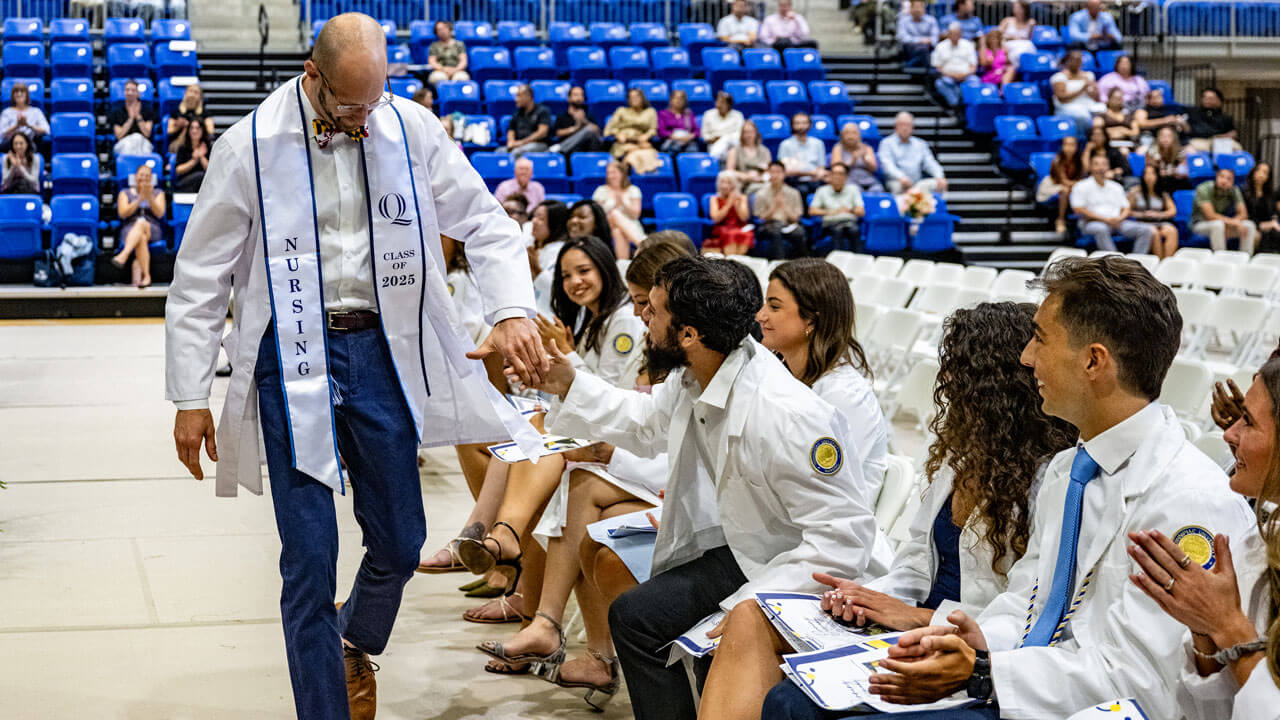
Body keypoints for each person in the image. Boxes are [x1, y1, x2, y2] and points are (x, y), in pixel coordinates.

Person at [164, 16, 549, 720]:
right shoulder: (248, 145)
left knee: (402, 542)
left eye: (375, 101)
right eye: (349, 105)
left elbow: (488, 223)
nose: (365, 120)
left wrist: (510, 310)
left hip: (379, 348)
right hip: (290, 354)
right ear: (312, 76)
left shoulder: (410, 126)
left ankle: (352, 639)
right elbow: (199, 277)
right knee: (309, 559)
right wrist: (190, 395)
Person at [765, 255, 1257, 719]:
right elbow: (1027, 604)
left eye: (1040, 339)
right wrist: (971, 639)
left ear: (1093, 361)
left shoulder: (1187, 498)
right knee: (795, 698)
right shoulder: (1070, 469)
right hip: (1026, 679)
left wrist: (985, 673)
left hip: (1081, 705)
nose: (1026, 357)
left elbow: (1144, 682)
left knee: (805, 710)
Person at [529, 255, 883, 720]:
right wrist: (569, 383)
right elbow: (646, 421)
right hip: (750, 551)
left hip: (806, 570)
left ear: (689, 335)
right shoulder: (702, 371)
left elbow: (842, 540)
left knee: (701, 641)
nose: (642, 317)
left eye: (653, 310)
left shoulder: (787, 415)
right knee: (635, 616)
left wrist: (749, 605)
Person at [711, 300, 1074, 720]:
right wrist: (869, 599)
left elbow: (1022, 611)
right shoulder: (960, 456)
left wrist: (918, 617)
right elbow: (915, 561)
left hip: (960, 641)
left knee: (790, 702)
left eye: (957, 367)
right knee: (750, 615)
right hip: (913, 621)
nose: (944, 379)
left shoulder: (1050, 478)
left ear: (993, 384)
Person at [471, 237, 661, 708]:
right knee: (543, 453)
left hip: (663, 483)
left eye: (649, 305)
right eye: (567, 274)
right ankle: (505, 554)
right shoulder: (604, 322)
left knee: (567, 485)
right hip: (638, 460)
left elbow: (638, 417)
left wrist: (605, 448)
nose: (642, 314)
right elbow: (634, 412)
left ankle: (514, 571)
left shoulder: (627, 326)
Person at [1131, 358, 1280, 719]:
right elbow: (1210, 709)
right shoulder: (1257, 545)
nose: (1228, 433)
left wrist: (1226, 624)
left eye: (1248, 421)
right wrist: (1202, 626)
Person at [1071, 153, 1153, 252]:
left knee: (1146, 229)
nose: (1100, 168)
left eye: (1104, 164)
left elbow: (1126, 207)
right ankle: (1114, 259)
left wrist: (1119, 218)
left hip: (1117, 222)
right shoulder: (1081, 186)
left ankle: (1137, 259)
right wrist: (1105, 219)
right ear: (1091, 167)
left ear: (1108, 167)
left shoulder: (1116, 187)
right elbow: (1078, 209)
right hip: (1092, 222)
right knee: (1101, 229)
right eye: (1097, 164)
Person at [113, 163, 164, 288]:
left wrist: (149, 197)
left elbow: (160, 213)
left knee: (141, 223)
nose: (144, 178)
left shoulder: (158, 193)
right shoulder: (125, 193)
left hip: (152, 228)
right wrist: (139, 199)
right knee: (141, 237)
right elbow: (123, 213)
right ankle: (146, 277)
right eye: (141, 175)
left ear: (151, 178)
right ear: (135, 177)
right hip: (129, 230)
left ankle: (124, 254)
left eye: (147, 176)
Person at [878, 111, 947, 195]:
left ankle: (929, 203)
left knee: (939, 184)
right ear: (895, 127)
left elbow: (930, 162)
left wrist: (939, 176)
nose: (905, 128)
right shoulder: (886, 143)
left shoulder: (920, 144)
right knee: (899, 186)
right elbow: (887, 165)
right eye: (902, 124)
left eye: (908, 125)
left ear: (912, 127)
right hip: (897, 181)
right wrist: (901, 177)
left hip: (917, 183)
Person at [1192, 167, 1258, 254]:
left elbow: (1243, 213)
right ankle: (1220, 258)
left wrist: (1235, 221)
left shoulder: (1234, 190)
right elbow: (1210, 216)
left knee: (1249, 225)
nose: (1224, 181)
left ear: (1233, 182)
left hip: (1224, 224)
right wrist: (1233, 222)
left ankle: (1245, 257)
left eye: (1229, 179)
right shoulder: (1203, 188)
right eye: (1222, 176)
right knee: (1217, 225)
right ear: (1216, 177)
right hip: (1200, 224)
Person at [754, 161, 808, 259]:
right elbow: (760, 219)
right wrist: (773, 207)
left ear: (784, 174)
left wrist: (785, 206)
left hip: (788, 224)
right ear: (768, 173)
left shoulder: (794, 193)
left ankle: (801, 261)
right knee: (775, 232)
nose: (775, 175)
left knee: (799, 232)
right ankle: (779, 262)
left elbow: (796, 219)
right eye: (772, 172)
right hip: (769, 225)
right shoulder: (761, 194)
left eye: (778, 172)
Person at [592, 161, 645, 259]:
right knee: (614, 213)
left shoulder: (633, 190)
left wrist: (622, 203)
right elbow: (597, 214)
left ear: (622, 174)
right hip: (606, 225)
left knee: (618, 231)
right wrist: (613, 208)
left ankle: (622, 264)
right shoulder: (601, 190)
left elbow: (636, 215)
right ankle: (642, 244)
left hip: (631, 225)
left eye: (614, 172)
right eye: (608, 173)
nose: (611, 176)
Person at [529, 199, 572, 317]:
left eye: (541, 218)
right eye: (534, 216)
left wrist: (535, 268)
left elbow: (556, 290)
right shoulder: (532, 245)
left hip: (549, 315)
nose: (534, 221)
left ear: (555, 224)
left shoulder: (560, 250)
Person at [1128, 163, 1180, 259]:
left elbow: (1172, 211)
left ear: (1157, 176)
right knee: (1154, 233)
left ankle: (1167, 261)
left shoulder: (1162, 193)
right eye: (1146, 174)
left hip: (1159, 221)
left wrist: (1158, 214)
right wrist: (1142, 214)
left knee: (1172, 231)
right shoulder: (1135, 192)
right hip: (1142, 222)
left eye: (1152, 174)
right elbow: (1127, 211)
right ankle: (1158, 261)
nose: (1149, 177)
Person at [809, 163, 864, 252]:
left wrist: (849, 210)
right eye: (834, 173)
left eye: (841, 174)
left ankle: (858, 257)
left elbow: (861, 211)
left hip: (849, 222)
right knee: (837, 230)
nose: (837, 176)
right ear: (830, 175)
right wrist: (831, 211)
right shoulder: (822, 190)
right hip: (831, 223)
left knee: (855, 230)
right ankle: (838, 259)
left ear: (846, 176)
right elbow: (812, 211)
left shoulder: (853, 189)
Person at [1037, 135, 1084, 235]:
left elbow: (1082, 178)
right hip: (1053, 185)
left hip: (1073, 187)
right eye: (1066, 144)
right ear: (1062, 146)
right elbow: (1063, 181)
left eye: (1072, 145)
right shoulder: (1057, 160)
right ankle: (1060, 219)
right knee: (1065, 190)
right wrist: (1076, 184)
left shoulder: (1079, 161)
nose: (1069, 147)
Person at [1052, 50, 1105, 134]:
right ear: (1067, 61)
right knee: (1082, 116)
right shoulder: (1059, 77)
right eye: (1074, 60)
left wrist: (1094, 88)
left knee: (1103, 110)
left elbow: (1097, 98)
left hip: (1088, 104)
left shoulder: (1089, 75)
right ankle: (1082, 137)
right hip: (1068, 105)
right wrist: (1081, 89)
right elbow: (1062, 98)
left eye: (1079, 60)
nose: (1077, 62)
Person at [603, 88, 658, 166]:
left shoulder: (650, 111)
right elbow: (608, 130)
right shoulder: (621, 111)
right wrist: (617, 134)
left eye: (637, 96)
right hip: (622, 144)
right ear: (628, 100)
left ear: (642, 98)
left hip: (641, 143)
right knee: (635, 152)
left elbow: (653, 129)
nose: (634, 99)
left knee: (646, 150)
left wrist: (647, 135)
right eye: (631, 97)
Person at [777, 112, 827, 198]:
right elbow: (784, 171)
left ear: (810, 125)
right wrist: (810, 173)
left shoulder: (818, 143)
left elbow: (821, 168)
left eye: (804, 123)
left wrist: (817, 174)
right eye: (797, 123)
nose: (801, 126)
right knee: (802, 190)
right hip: (794, 181)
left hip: (815, 180)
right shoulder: (785, 145)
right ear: (792, 125)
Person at [707, 171, 755, 255]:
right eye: (722, 182)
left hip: (739, 227)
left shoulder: (742, 198)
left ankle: (739, 259)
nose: (725, 186)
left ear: (734, 185)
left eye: (729, 183)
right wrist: (728, 204)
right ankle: (730, 259)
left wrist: (736, 204)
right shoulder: (714, 199)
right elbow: (716, 218)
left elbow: (744, 218)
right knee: (731, 234)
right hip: (722, 227)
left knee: (747, 234)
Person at [931, 22, 978, 107]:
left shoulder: (968, 45)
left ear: (961, 34)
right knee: (940, 83)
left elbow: (973, 66)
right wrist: (951, 75)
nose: (954, 36)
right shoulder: (940, 46)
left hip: (966, 76)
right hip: (947, 76)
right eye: (952, 34)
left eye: (957, 34)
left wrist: (964, 75)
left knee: (975, 81)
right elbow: (937, 67)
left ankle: (968, 105)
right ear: (948, 34)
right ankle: (955, 105)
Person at [550, 86, 603, 156]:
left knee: (589, 130)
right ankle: (562, 148)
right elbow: (558, 133)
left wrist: (584, 121)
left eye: (581, 95)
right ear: (569, 98)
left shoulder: (588, 115)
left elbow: (597, 131)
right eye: (576, 95)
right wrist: (576, 127)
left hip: (586, 148)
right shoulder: (562, 116)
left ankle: (560, 148)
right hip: (569, 150)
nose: (579, 98)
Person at [108, 79, 157, 155]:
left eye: (133, 90)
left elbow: (147, 133)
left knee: (137, 138)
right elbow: (119, 136)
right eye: (127, 90)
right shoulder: (117, 111)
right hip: (124, 143)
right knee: (131, 142)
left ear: (138, 93)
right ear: (124, 92)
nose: (130, 93)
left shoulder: (147, 110)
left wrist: (138, 116)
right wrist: (130, 119)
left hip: (143, 142)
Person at [1188, 87, 1243, 153]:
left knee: (1237, 147)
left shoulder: (1225, 118)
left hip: (1220, 142)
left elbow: (1232, 133)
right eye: (1204, 97)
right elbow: (1190, 130)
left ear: (1219, 101)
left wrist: (1226, 136)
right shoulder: (1194, 113)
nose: (1207, 100)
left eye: (1210, 98)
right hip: (1199, 141)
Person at [830, 122, 881, 193]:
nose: (850, 136)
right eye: (847, 133)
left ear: (859, 135)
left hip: (867, 178)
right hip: (848, 178)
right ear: (842, 136)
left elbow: (874, 169)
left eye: (854, 133)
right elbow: (836, 168)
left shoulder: (866, 148)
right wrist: (852, 161)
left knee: (877, 189)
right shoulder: (838, 148)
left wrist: (864, 158)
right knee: (855, 190)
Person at [505, 84, 552, 158]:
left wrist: (521, 143)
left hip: (538, 144)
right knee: (499, 151)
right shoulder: (516, 114)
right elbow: (511, 130)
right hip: (519, 145)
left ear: (529, 96)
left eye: (519, 96)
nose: (516, 99)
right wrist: (511, 142)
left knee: (516, 152)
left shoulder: (542, 111)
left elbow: (542, 133)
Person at [726, 119, 771, 196]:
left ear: (756, 133)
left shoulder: (765, 151)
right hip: (742, 184)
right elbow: (729, 172)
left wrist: (760, 177)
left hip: (762, 182)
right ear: (741, 134)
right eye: (746, 132)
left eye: (751, 132)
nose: (749, 135)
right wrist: (748, 177)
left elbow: (769, 170)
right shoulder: (734, 151)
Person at [0, 83, 49, 152]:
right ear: (12, 96)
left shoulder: (36, 111)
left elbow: (46, 130)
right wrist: (17, 126)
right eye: (16, 92)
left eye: (22, 91)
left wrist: (28, 125)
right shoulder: (6, 112)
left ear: (27, 95)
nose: (19, 94)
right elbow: (2, 133)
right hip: (9, 146)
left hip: (29, 145)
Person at [166, 83, 215, 150]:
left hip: (199, 145)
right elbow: (169, 131)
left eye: (196, 92)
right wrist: (179, 125)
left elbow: (211, 132)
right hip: (179, 144)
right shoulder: (176, 111)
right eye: (190, 91)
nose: (192, 95)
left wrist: (198, 126)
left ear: (200, 96)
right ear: (185, 93)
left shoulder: (205, 113)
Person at [1245, 163, 1280, 254]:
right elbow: (1245, 216)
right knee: (1257, 236)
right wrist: (1261, 225)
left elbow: (1273, 213)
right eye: (1258, 170)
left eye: (1265, 172)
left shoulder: (1270, 194)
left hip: (1269, 227)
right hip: (1251, 226)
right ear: (1253, 172)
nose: (1261, 174)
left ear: (1268, 177)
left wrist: (1273, 221)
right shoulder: (1244, 192)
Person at [1146, 125, 1190, 196]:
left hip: (1175, 178)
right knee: (1149, 171)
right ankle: (1152, 196)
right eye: (1163, 136)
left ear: (1174, 138)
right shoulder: (1152, 150)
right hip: (1158, 180)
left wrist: (1173, 171)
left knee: (1184, 176)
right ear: (1158, 138)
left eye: (1169, 136)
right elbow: (1151, 167)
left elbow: (1184, 169)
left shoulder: (1180, 151)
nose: (1165, 139)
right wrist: (1161, 169)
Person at [701, 91, 745, 161]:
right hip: (714, 144)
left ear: (729, 105)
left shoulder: (738, 115)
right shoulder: (708, 114)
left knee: (728, 140)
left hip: (733, 144)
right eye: (718, 102)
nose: (719, 105)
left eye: (723, 102)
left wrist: (725, 138)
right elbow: (704, 135)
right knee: (721, 148)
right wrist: (712, 139)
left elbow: (740, 134)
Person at [897, 0, 940, 70]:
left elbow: (935, 39)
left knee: (924, 49)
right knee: (922, 49)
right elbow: (902, 38)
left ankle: (912, 66)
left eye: (920, 7)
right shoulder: (903, 21)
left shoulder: (931, 20)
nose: (918, 10)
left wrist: (925, 42)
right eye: (915, 7)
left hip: (928, 48)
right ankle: (928, 70)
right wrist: (921, 40)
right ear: (911, 8)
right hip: (910, 49)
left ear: (924, 9)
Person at [171, 119, 211, 193]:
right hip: (184, 182)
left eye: (197, 128)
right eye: (191, 128)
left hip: (204, 182)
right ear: (188, 131)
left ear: (203, 130)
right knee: (200, 176)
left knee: (204, 177)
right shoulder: (183, 148)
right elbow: (178, 170)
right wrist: (194, 160)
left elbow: (211, 171)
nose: (194, 131)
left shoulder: (208, 147)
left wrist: (201, 156)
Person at [657, 90, 701, 155]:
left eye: (681, 98)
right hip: (670, 141)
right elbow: (662, 132)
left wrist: (690, 136)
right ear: (671, 99)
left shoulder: (688, 114)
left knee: (693, 149)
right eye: (676, 98)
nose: (678, 100)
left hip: (687, 141)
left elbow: (697, 131)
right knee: (675, 147)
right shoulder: (663, 114)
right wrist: (677, 138)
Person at [427, 20, 469, 85]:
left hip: (457, 70)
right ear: (436, 32)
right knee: (438, 78)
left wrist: (455, 70)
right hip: (440, 71)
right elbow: (432, 62)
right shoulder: (434, 46)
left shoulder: (459, 44)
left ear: (449, 29)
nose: (442, 31)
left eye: (444, 28)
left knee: (461, 78)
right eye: (439, 30)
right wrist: (443, 69)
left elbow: (463, 61)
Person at [996, 0, 1036, 66]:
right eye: (1015, 7)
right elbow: (997, 35)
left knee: (1028, 45)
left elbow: (1031, 39)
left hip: (1024, 46)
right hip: (1008, 46)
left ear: (1025, 9)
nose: (1015, 10)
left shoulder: (1031, 22)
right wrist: (1011, 37)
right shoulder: (1007, 20)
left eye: (1018, 8)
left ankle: (1016, 65)